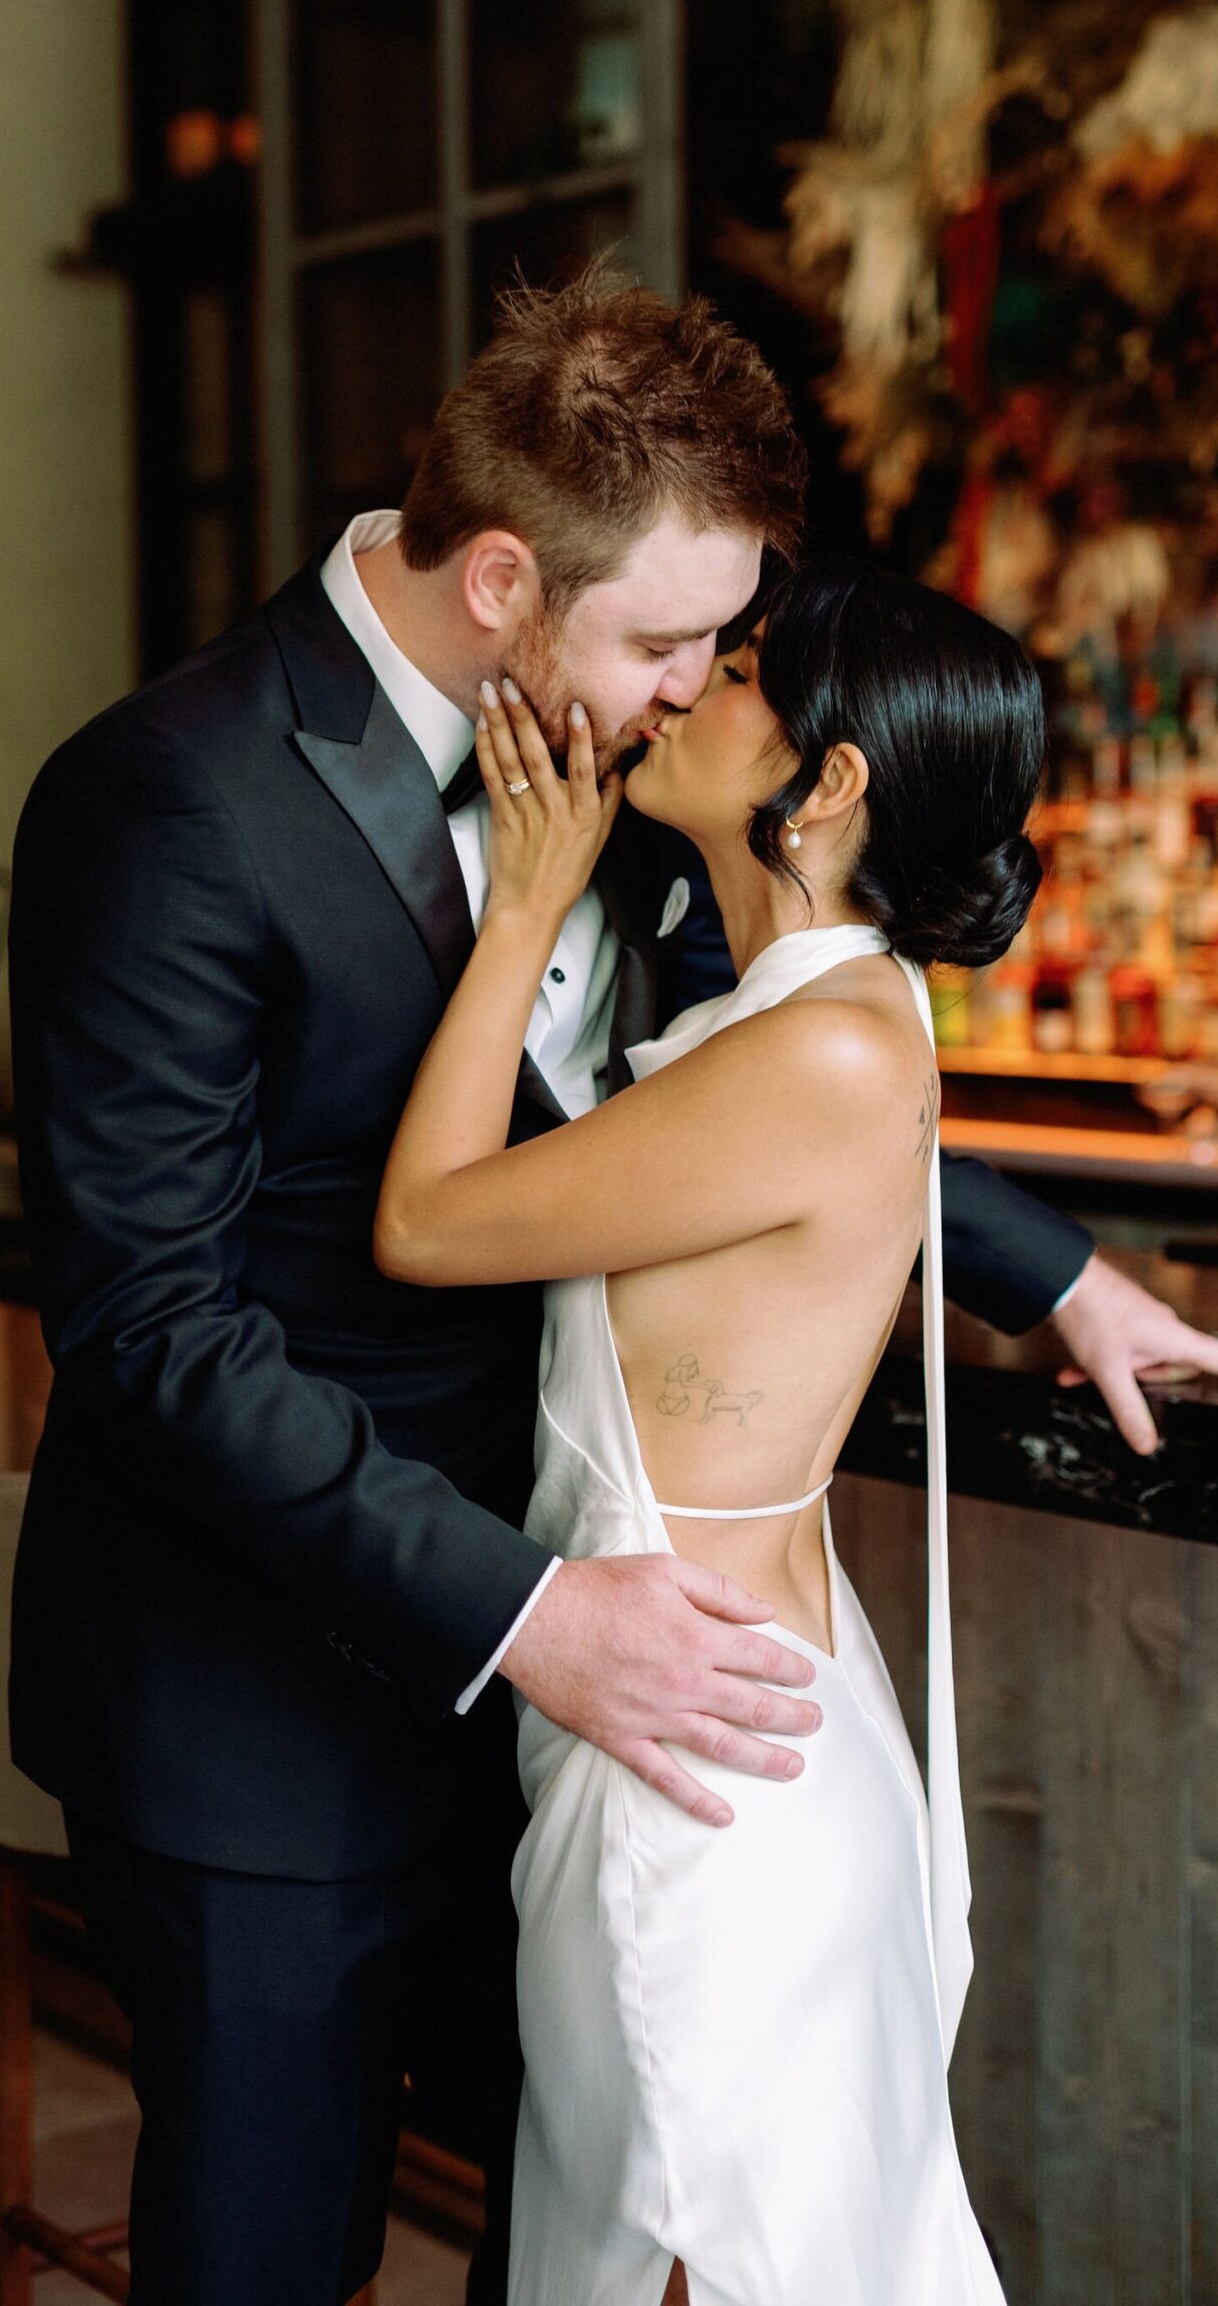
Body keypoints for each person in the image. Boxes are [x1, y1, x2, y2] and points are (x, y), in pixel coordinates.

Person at [6, 270, 1218, 2306]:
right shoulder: (169, 793)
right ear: (504, 574)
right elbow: (150, 1324)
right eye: (675, 636)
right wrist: (528, 1611)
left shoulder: (646, 766)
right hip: (266, 1706)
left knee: (582, 2250)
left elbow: (771, 1061)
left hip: (594, 1738)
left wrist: (1062, 1280)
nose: (704, 688)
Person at [375, 564, 1043, 2300]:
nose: (683, 691)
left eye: (737, 671)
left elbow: (429, 1224)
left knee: (686, 2254)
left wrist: (526, 908)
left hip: (700, 1775)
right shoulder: (832, 1012)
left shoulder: (815, 1053)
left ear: (825, 789)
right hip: (732, 1716)